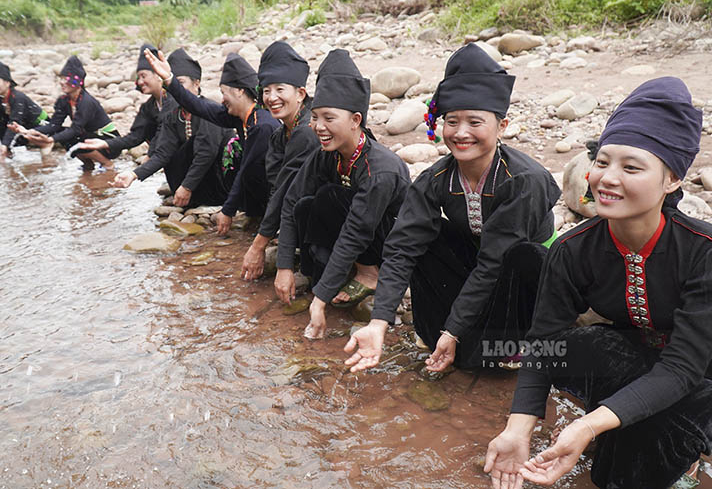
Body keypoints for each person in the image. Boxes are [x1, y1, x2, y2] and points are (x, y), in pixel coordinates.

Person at [485, 77, 711, 489]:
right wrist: (518, 429)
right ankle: (623, 422)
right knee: (577, 347)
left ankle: (685, 452)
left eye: (631, 167)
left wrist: (587, 426)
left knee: (619, 476)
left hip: (699, 375)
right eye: (603, 162)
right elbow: (544, 342)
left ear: (672, 180)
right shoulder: (573, 249)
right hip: (637, 359)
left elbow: (682, 368)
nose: (608, 178)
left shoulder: (703, 251)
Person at [344, 43, 561, 373]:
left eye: (475, 122)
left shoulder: (523, 180)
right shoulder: (436, 179)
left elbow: (495, 261)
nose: (461, 133)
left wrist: (455, 329)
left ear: (501, 126)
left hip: (528, 280)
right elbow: (402, 248)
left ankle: (516, 341)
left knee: (523, 257)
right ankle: (436, 333)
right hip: (484, 267)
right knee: (424, 237)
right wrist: (379, 322)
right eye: (452, 121)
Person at [273, 49, 411, 339]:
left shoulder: (380, 169)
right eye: (315, 117)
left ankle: (370, 275)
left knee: (328, 197)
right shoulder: (327, 154)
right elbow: (291, 200)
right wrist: (283, 265)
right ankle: (332, 273)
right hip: (357, 230)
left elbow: (356, 231)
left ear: (355, 119)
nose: (319, 127)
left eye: (329, 118)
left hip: (388, 241)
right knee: (307, 205)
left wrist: (319, 300)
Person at [145, 48, 280, 234]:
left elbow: (247, 171)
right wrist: (169, 79)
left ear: (240, 91)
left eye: (224, 93)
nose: (222, 99)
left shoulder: (261, 125)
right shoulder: (240, 117)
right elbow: (199, 106)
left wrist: (227, 211)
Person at [93, 46, 232, 207]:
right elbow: (163, 153)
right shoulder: (173, 115)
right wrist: (133, 174)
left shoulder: (209, 110)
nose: (177, 90)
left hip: (220, 184)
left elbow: (206, 153)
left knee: (201, 149)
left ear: (197, 83)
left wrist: (186, 187)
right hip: (194, 187)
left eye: (181, 83)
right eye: (172, 85)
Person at [240, 41, 320, 280]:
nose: (271, 98)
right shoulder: (279, 134)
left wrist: (258, 246)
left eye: (280, 90)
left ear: (300, 94)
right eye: (266, 91)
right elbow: (277, 187)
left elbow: (288, 191)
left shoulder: (308, 130)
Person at [14, 55, 120, 170]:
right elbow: (53, 125)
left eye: (66, 79)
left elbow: (76, 129)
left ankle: (107, 163)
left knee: (75, 137)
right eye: (61, 78)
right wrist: (29, 132)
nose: (62, 82)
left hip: (110, 143)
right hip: (90, 137)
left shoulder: (86, 102)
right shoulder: (64, 101)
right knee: (64, 134)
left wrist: (51, 140)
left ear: (77, 82)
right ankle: (88, 165)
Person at [0, 59, 48, 158]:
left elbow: (15, 122)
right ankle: (9, 164)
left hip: (41, 125)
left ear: (7, 83)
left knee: (11, 141)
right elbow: (1, 125)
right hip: (24, 128)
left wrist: (5, 145)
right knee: (5, 137)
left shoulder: (18, 98)